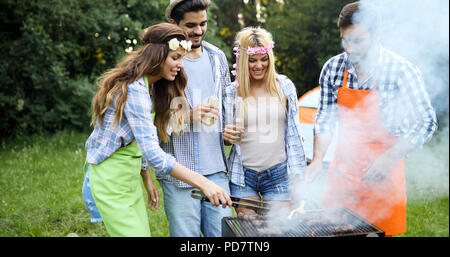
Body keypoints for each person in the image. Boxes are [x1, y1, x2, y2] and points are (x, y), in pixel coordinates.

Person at [83, 23, 232, 237]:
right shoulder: (135, 90)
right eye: (175, 58)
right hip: (111, 179)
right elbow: (153, 153)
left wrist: (146, 179)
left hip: (128, 177)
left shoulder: (150, 86)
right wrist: (203, 182)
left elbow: (142, 138)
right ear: (158, 55)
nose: (180, 65)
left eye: (182, 58)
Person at [304, 1, 438, 236]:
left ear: (376, 34)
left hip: (384, 177)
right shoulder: (333, 68)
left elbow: (426, 122)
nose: (350, 48)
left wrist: (389, 157)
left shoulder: (401, 70)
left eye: (357, 40)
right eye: (345, 40)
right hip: (342, 176)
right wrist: (317, 159)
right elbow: (325, 117)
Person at [159, 0, 234, 237]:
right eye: (190, 25)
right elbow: (153, 123)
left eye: (203, 24)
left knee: (222, 236)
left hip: (216, 170)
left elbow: (226, 106)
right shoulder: (164, 63)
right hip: (179, 172)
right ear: (174, 24)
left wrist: (227, 132)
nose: (199, 31)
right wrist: (187, 117)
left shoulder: (217, 57)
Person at [223, 27, 307, 216]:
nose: (259, 65)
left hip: (277, 174)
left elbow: (294, 134)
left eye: (264, 59)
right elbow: (224, 136)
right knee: (249, 231)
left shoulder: (284, 86)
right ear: (243, 61)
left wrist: (299, 177)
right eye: (252, 60)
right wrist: (225, 136)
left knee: (276, 229)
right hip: (243, 175)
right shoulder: (230, 92)